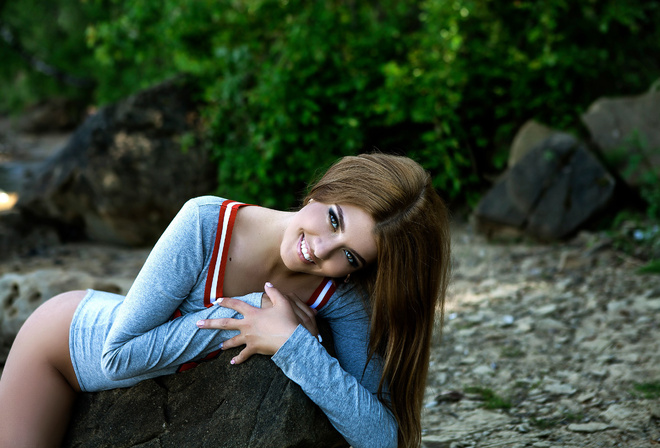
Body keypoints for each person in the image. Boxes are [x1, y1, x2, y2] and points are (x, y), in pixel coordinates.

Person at [0, 153, 451, 448]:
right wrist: (252, 311)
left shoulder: (340, 294)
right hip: (62, 347)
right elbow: (116, 356)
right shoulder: (205, 223)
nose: (321, 250)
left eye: (349, 255)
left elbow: (383, 437)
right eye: (333, 221)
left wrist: (292, 344)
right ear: (326, 189)